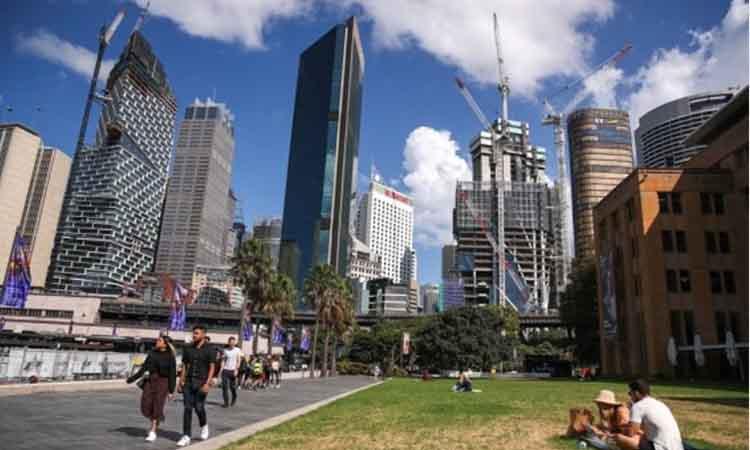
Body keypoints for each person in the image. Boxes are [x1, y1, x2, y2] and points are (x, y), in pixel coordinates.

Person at [126, 335, 177, 442]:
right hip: (150, 381)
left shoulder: (170, 356)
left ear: (165, 344)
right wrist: (132, 379)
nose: (156, 342)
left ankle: (153, 430)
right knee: (146, 404)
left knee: (158, 405)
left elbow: (172, 374)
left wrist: (171, 391)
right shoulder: (152, 353)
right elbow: (144, 368)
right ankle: (155, 421)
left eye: (159, 340)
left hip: (163, 382)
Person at [614, 379, 684, 450]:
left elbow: (631, 432)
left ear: (636, 393)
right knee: (641, 437)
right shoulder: (659, 404)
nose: (630, 396)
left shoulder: (638, 406)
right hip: (677, 446)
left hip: (661, 447)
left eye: (630, 393)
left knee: (619, 438)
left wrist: (619, 430)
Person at [176, 325, 217, 448]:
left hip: (201, 382)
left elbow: (212, 367)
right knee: (187, 408)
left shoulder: (210, 349)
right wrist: (180, 382)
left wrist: (207, 383)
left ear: (203, 335)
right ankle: (186, 436)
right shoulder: (188, 348)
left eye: (197, 333)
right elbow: (184, 366)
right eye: (194, 333)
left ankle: (204, 426)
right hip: (188, 382)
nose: (194, 335)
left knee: (199, 407)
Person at [221, 337, 242, 407]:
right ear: (228, 342)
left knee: (232, 387)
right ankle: (226, 402)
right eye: (231, 342)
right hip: (225, 370)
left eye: (233, 342)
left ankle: (234, 397)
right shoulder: (225, 350)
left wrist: (236, 370)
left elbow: (239, 361)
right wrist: (221, 369)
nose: (232, 343)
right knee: (224, 387)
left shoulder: (237, 350)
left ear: (235, 343)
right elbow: (223, 360)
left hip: (233, 370)